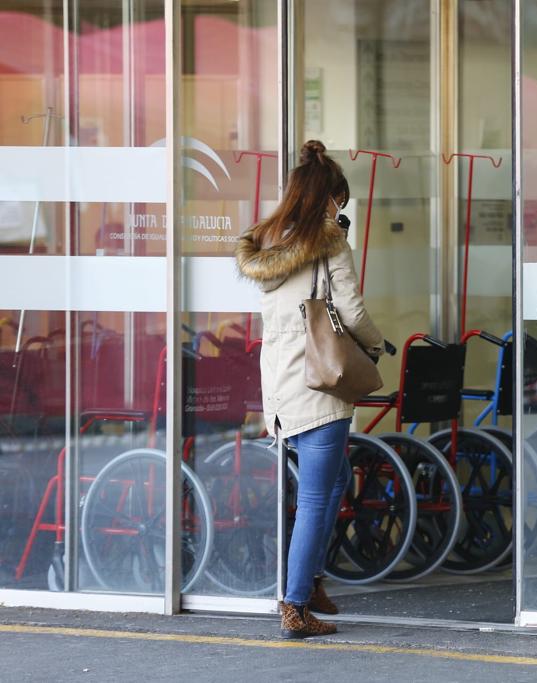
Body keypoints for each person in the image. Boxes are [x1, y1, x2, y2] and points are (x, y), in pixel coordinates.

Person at [235, 139, 384, 639]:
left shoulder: (271, 249)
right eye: (340, 200)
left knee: (334, 481)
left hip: (281, 388)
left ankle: (312, 582)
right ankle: (295, 605)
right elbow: (354, 313)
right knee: (319, 498)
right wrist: (378, 346)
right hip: (319, 386)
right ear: (330, 199)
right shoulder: (330, 243)